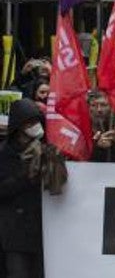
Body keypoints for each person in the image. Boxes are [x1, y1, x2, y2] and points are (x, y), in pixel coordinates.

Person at [0, 99, 67, 278]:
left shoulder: (46, 150)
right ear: (19, 126)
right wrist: (26, 176)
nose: (35, 127)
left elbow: (58, 184)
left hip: (42, 229)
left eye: (37, 122)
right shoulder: (5, 154)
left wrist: (55, 163)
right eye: (30, 123)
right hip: (14, 233)